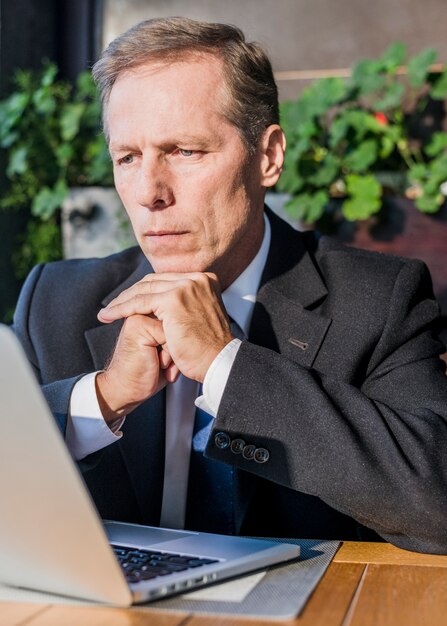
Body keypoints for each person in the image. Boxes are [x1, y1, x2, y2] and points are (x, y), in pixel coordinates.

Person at [13, 17, 447, 554]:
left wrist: (227, 365)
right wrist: (103, 398)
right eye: (127, 157)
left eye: (184, 152)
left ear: (267, 157)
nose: (149, 191)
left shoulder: (378, 299)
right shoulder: (56, 301)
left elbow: (438, 505)